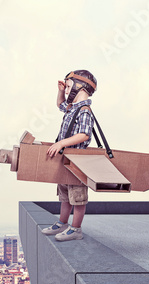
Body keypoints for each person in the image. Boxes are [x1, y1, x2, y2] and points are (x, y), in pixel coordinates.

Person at [41, 70, 97, 241]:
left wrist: (61, 143)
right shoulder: (73, 108)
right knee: (65, 194)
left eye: (68, 86)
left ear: (80, 87)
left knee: (77, 197)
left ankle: (76, 229)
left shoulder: (84, 111)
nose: (66, 90)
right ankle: (63, 223)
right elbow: (60, 105)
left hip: (78, 162)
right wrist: (59, 91)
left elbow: (84, 134)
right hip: (67, 160)